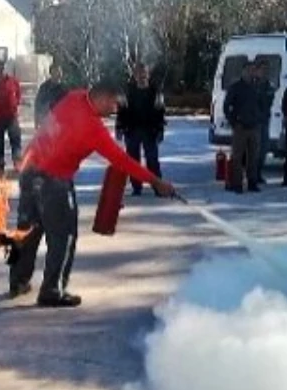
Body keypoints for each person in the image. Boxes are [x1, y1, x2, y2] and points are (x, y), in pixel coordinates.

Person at [9, 84, 178, 307]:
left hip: (29, 170)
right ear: (101, 98)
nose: (115, 109)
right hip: (53, 180)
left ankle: (18, 281)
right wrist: (156, 181)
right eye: (113, 103)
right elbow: (121, 160)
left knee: (27, 230)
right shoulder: (92, 127)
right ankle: (52, 290)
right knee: (64, 234)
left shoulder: (74, 97)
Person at [116, 62, 166, 196]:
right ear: (134, 75)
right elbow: (121, 110)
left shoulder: (156, 91)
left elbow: (160, 111)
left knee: (152, 161)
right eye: (139, 73)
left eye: (144, 73)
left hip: (150, 131)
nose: (142, 76)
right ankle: (136, 187)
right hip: (132, 131)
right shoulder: (127, 91)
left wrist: (161, 130)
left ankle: (158, 187)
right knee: (133, 161)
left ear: (148, 74)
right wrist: (119, 128)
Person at [223, 63, 264, 194]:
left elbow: (263, 104)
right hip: (240, 127)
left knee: (254, 156)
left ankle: (252, 182)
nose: (250, 73)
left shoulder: (257, 87)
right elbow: (226, 106)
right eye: (248, 70)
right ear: (243, 72)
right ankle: (237, 184)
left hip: (254, 127)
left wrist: (260, 118)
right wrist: (233, 121)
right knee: (237, 156)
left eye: (253, 70)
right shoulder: (235, 87)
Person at [0, 58, 24, 174]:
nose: (0, 70)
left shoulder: (13, 82)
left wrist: (15, 105)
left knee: (15, 140)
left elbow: (18, 95)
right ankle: (1, 165)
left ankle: (17, 163)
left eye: (2, 68)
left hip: (11, 117)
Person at [255, 60, 277, 184]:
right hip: (254, 121)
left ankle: (258, 173)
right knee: (255, 149)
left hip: (264, 120)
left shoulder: (270, 86)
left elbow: (269, 101)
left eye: (266, 70)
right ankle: (252, 174)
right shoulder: (253, 85)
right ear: (257, 71)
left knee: (264, 148)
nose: (264, 72)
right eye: (262, 70)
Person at [33, 62, 69, 129]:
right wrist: (36, 121)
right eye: (57, 71)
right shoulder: (44, 87)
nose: (59, 73)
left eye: (60, 71)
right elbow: (38, 104)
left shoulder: (65, 88)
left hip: (61, 121)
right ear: (51, 73)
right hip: (47, 120)